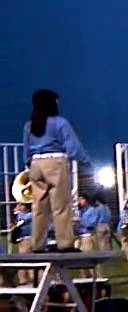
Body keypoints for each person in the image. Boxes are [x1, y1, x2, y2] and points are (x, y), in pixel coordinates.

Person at [22, 89, 92, 252]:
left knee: (39, 207)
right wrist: (86, 160)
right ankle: (65, 243)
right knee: (61, 205)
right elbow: (72, 146)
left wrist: (29, 164)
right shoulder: (60, 122)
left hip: (36, 164)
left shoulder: (29, 125)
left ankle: (38, 244)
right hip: (55, 162)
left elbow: (26, 150)